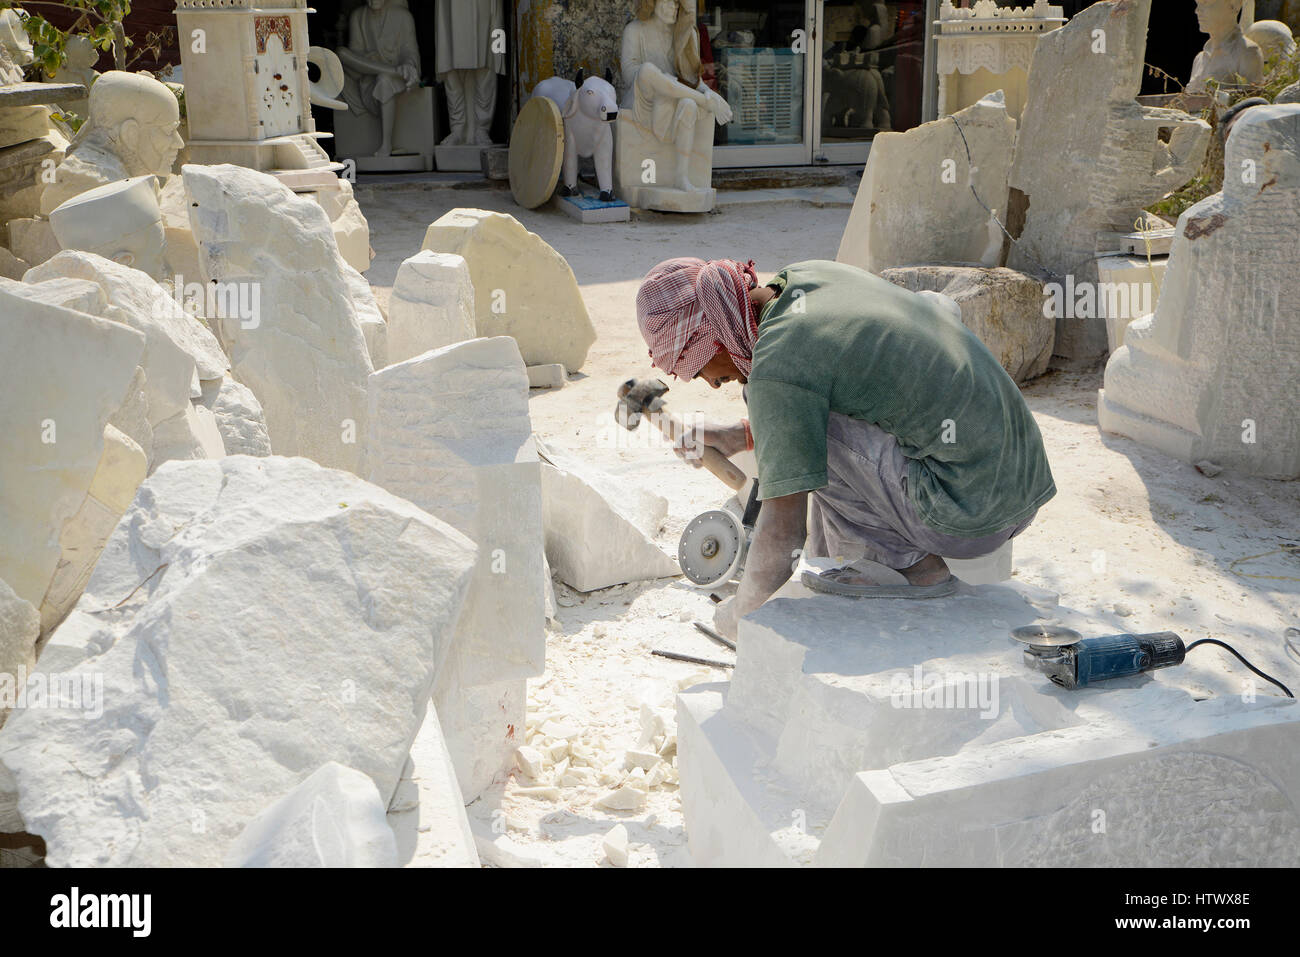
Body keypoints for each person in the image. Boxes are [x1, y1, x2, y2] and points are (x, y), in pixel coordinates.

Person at [635, 258, 1056, 639]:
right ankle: (865, 563)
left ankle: (899, 569)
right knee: (790, 408)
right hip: (1018, 483)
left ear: (715, 340)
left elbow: (784, 533)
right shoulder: (808, 279)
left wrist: (740, 613)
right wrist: (738, 435)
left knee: (787, 418)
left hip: (969, 515)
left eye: (696, 367)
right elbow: (856, 382)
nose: (709, 382)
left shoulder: (778, 365)